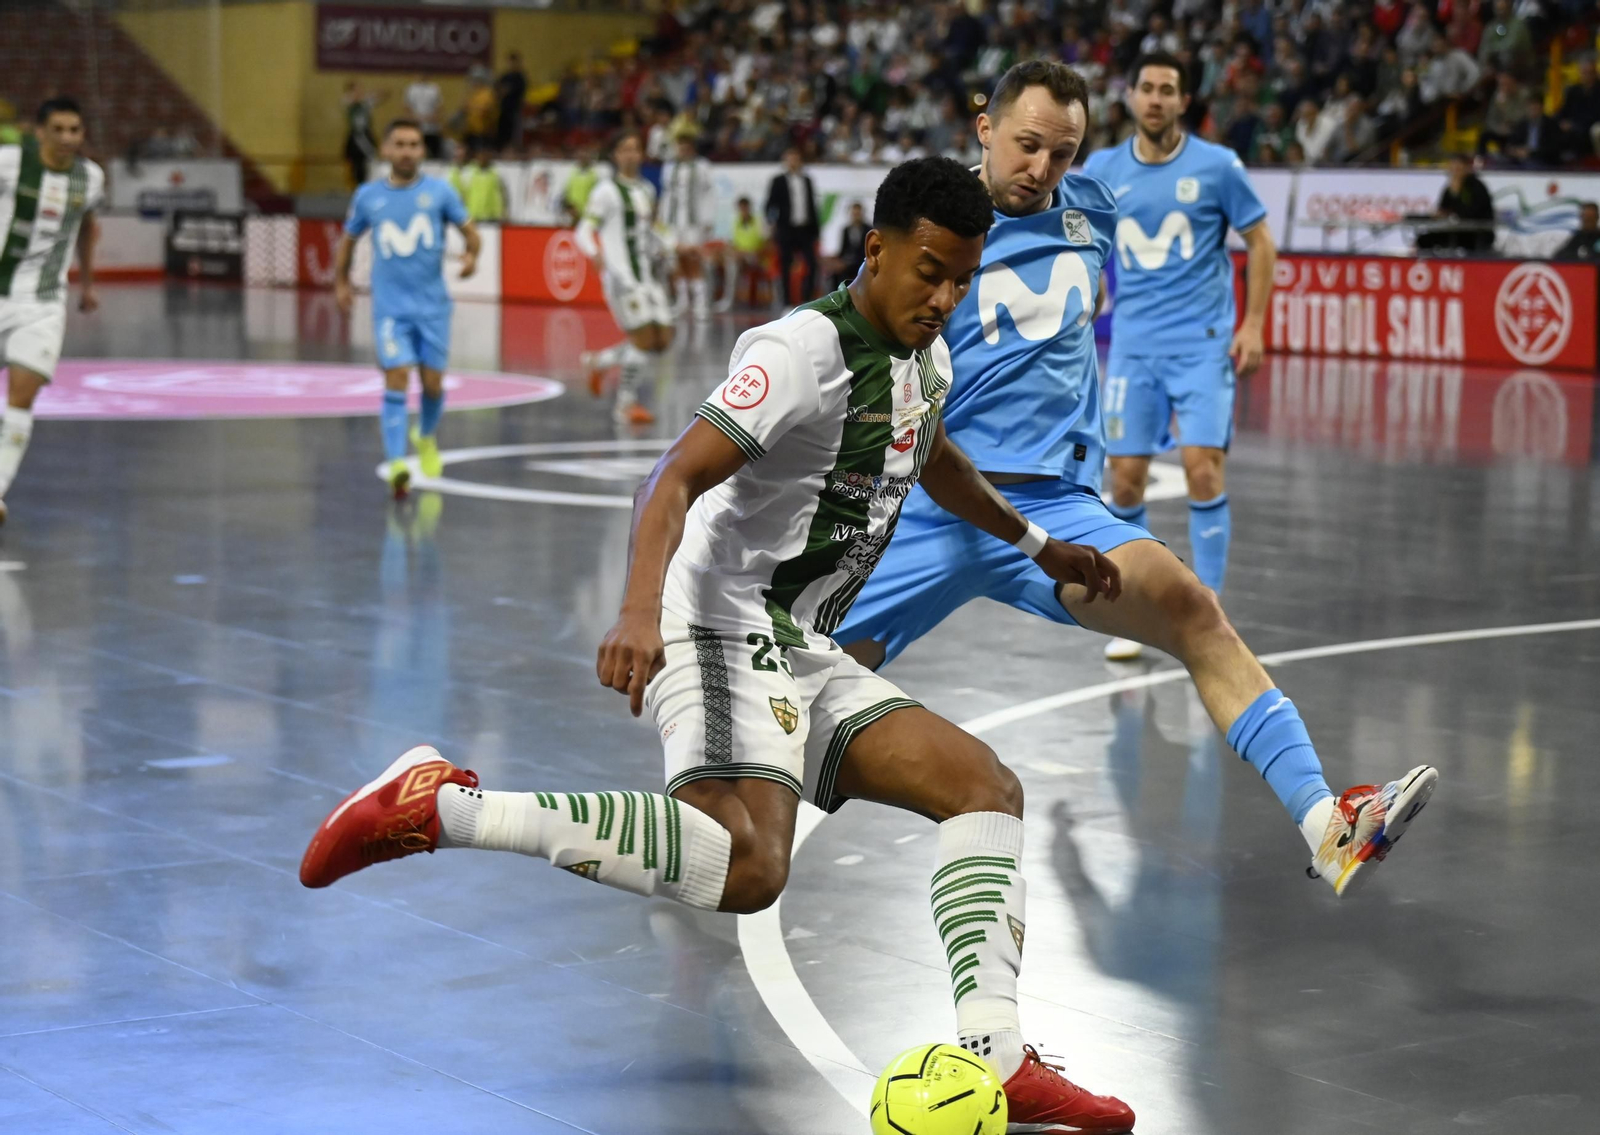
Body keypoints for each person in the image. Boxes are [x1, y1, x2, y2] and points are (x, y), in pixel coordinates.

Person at [300, 155, 1139, 1133]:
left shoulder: (927, 358)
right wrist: (633, 609)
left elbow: (936, 455)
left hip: (800, 640)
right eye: (929, 271)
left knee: (983, 788)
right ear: (876, 249)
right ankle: (441, 806)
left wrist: (1040, 543)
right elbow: (673, 475)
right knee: (748, 870)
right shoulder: (799, 351)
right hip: (716, 617)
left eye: (962, 278)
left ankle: (997, 1056)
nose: (945, 297)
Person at [835, 60, 1438, 899]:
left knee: (1195, 612)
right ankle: (723, 837)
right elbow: (852, 342)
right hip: (930, 505)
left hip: (1055, 511)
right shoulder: (930, 224)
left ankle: (1327, 825)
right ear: (985, 130)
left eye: (1064, 152)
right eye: (1027, 145)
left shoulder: (1096, 211)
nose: (1042, 168)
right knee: (806, 690)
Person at [1085, 51, 1279, 661]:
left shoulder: (1218, 167)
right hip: (1134, 348)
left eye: (1168, 90)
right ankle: (1135, 612)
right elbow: (1083, 237)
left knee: (1203, 470)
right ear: (1132, 97)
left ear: (1184, 101)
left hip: (1200, 348)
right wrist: (1091, 286)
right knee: (1125, 480)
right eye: (1146, 88)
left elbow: (1261, 242)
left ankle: (1208, 612)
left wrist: (1252, 323)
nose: (1156, 99)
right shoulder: (1103, 167)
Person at [334, 119, 480, 500]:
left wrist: (472, 257)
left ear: (422, 151)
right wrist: (341, 282)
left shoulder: (440, 193)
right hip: (390, 311)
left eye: (414, 144)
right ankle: (398, 463)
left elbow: (472, 233)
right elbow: (348, 242)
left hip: (433, 309)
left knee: (432, 383)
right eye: (399, 144)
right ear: (385, 150)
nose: (407, 151)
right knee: (396, 376)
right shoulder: (368, 196)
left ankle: (426, 437)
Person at [0, 97, 104, 527]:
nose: (67, 138)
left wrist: (88, 282)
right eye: (58, 129)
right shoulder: (8, 162)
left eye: (74, 130)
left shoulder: (91, 178)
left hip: (42, 303)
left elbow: (88, 226)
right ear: (39, 131)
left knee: (22, 396)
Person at [576, 130, 672, 426]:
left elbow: (651, 230)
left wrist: (671, 247)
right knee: (643, 341)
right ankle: (624, 405)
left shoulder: (646, 190)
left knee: (662, 340)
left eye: (636, 148)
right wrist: (595, 253)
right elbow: (582, 230)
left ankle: (600, 362)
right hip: (620, 276)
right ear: (616, 156)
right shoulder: (605, 191)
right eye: (625, 149)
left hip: (646, 275)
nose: (631, 154)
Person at [658, 125, 716, 321]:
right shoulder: (669, 167)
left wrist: (708, 219)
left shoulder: (702, 166)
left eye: (686, 146)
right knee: (675, 259)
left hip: (694, 221)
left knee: (693, 258)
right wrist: (662, 218)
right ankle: (683, 301)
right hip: (674, 221)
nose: (682, 150)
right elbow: (666, 194)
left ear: (692, 147)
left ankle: (700, 302)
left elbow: (708, 194)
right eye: (679, 146)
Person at [764, 146, 820, 305]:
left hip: (805, 229)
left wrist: (816, 230)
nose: (793, 162)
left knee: (811, 264)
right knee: (785, 266)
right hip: (786, 229)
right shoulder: (778, 181)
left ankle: (807, 300)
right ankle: (787, 302)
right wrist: (771, 222)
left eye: (796, 158)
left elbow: (811, 205)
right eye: (790, 159)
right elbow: (770, 204)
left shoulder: (807, 180)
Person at [1425, 153, 1495, 253]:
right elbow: (1443, 209)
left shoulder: (1476, 187)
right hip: (1457, 230)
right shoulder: (1450, 188)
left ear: (1467, 168)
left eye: (1458, 168)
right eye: (1452, 169)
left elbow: (1471, 213)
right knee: (1425, 240)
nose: (1454, 172)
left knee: (1456, 240)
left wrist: (1456, 194)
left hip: (1477, 232)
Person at [723, 195, 768, 310]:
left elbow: (766, 243)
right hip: (740, 256)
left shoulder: (759, 221)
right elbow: (731, 243)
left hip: (756, 255)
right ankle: (729, 300)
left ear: (749, 208)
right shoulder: (735, 222)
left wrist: (754, 252)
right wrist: (735, 252)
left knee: (738, 260)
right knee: (731, 263)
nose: (743, 211)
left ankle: (733, 300)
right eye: (741, 208)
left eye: (745, 208)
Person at [341, 81, 387, 187]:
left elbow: (383, 96)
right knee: (355, 162)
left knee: (370, 158)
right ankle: (357, 183)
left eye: (360, 89)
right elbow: (351, 100)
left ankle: (369, 182)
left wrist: (376, 94)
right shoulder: (347, 100)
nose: (359, 92)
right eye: (356, 90)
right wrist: (364, 96)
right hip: (356, 135)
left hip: (366, 134)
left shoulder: (366, 102)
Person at [448, 146, 506, 223]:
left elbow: (503, 194)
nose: (483, 158)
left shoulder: (497, 172)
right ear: (476, 156)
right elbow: (462, 195)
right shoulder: (468, 172)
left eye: (485, 155)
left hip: (492, 216)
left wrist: (503, 212)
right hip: (473, 215)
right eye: (481, 155)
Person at [404, 74, 444, 159]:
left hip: (431, 128)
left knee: (433, 154)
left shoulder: (434, 88)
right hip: (416, 127)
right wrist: (416, 119)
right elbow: (407, 108)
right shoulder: (412, 89)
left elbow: (439, 108)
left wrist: (432, 118)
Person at [496, 52, 528, 155]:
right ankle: (503, 152)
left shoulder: (520, 78)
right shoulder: (504, 77)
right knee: (503, 133)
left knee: (514, 134)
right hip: (503, 109)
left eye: (514, 62)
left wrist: (507, 90)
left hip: (515, 110)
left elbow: (519, 92)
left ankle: (514, 152)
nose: (511, 64)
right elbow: (498, 90)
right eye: (510, 62)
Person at [833, 200, 870, 288]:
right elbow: (843, 249)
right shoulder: (846, 230)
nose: (856, 216)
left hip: (862, 260)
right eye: (854, 214)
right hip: (848, 262)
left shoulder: (868, 229)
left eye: (858, 214)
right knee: (835, 274)